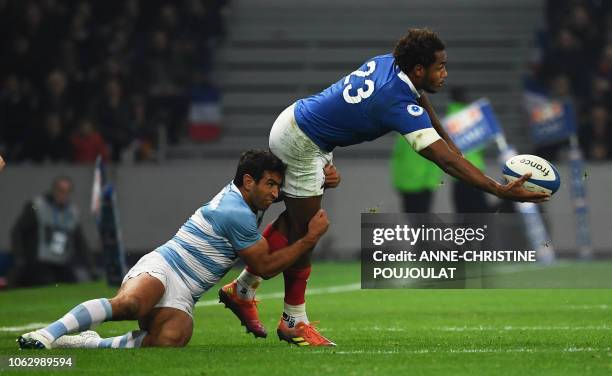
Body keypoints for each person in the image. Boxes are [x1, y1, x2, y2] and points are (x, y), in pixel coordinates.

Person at [221, 28, 550, 347]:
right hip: (302, 142)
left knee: (296, 223)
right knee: (308, 230)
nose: (445, 73)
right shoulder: (395, 102)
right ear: (419, 69)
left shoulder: (390, 63)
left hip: (299, 122)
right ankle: (293, 320)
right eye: (440, 67)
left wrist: (452, 142)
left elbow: (421, 100)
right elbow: (445, 162)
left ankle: (244, 288)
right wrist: (498, 189)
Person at [17, 149, 330, 349]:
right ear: (249, 182)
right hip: (165, 267)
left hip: (186, 293)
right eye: (271, 185)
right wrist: (310, 239)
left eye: (278, 186)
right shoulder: (234, 211)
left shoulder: (248, 194)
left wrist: (320, 179)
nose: (276, 194)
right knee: (132, 306)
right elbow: (264, 267)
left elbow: (291, 196)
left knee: (169, 341)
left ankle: (87, 344)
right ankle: (46, 334)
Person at [9, 176, 97, 287]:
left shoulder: (72, 213)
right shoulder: (38, 207)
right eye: (60, 191)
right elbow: (18, 232)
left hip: (62, 262)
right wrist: (19, 257)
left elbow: (80, 242)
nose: (63, 195)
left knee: (73, 284)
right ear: (54, 190)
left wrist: (91, 267)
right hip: (40, 262)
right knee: (45, 283)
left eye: (67, 192)